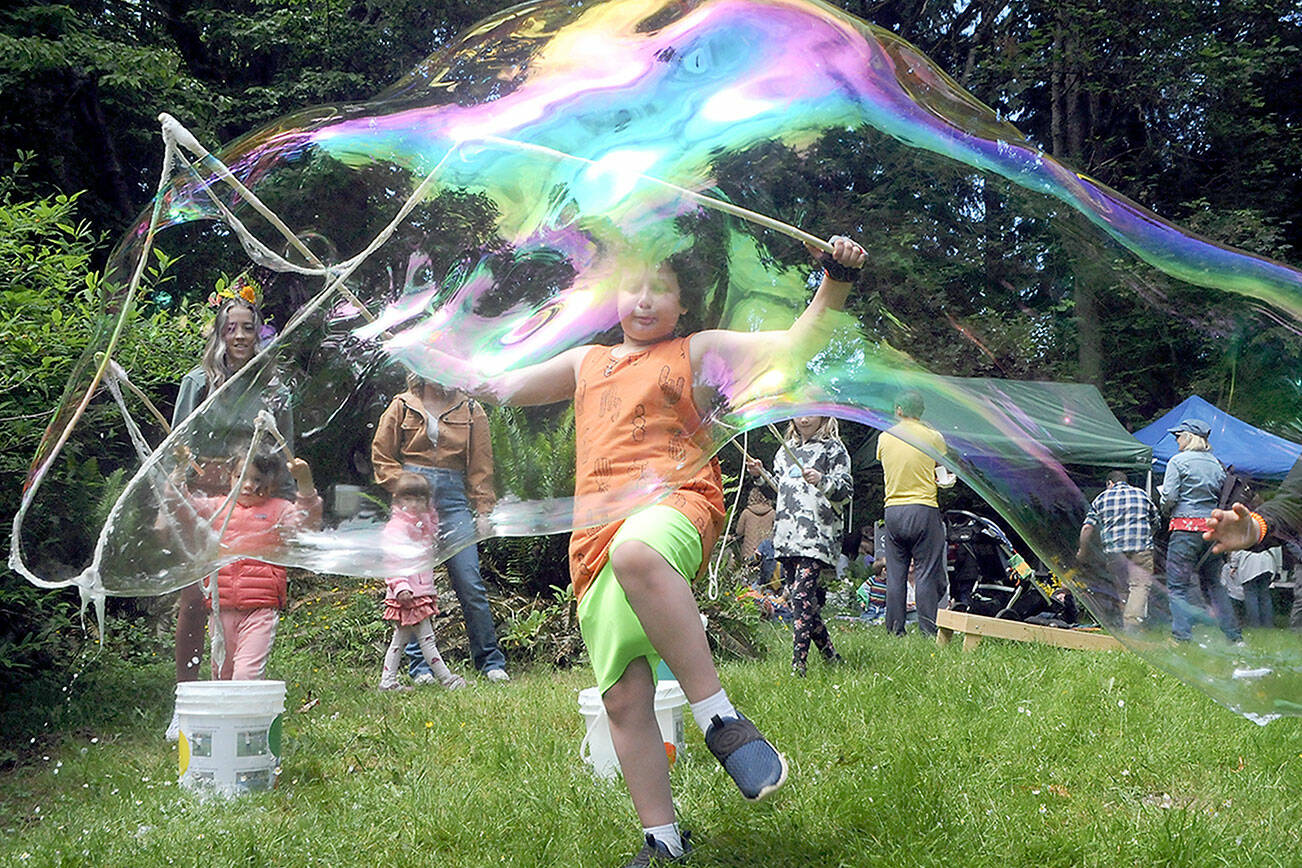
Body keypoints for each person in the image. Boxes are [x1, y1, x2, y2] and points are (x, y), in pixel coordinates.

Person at [427, 233, 866, 865]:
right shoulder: (585, 362)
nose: (645, 298)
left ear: (683, 302)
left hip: (675, 504)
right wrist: (449, 356)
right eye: (632, 286)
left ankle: (720, 719)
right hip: (592, 537)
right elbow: (502, 387)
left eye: (660, 286)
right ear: (612, 301)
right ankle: (662, 840)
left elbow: (797, 345)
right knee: (623, 698)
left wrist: (835, 278)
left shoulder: (697, 352)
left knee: (638, 554)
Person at [166, 288, 294, 738]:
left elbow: (284, 452)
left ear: (260, 334)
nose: (239, 335)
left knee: (240, 598)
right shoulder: (196, 384)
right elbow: (178, 446)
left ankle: (229, 693)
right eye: (230, 327)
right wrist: (173, 500)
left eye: (247, 327)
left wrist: (288, 507)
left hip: (253, 504)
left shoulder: (273, 389)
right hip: (205, 500)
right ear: (219, 334)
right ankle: (185, 702)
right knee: (194, 599)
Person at [372, 373, 510, 683]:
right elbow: (381, 457)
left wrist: (483, 510)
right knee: (413, 582)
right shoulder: (402, 405)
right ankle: (420, 668)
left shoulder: (471, 408)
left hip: (453, 499)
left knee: (469, 579)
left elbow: (481, 466)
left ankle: (490, 661)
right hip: (412, 502)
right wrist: (406, 488)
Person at [184, 449, 321, 679]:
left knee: (246, 675)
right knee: (221, 674)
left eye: (257, 479)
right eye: (240, 477)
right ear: (230, 477)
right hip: (221, 609)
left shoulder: (279, 510)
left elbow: (307, 526)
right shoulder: (217, 507)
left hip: (261, 608)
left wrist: (305, 484)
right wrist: (179, 471)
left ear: (272, 482)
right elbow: (181, 507)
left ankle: (244, 714)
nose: (248, 485)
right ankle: (227, 716)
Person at [746, 415, 851, 676]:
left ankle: (798, 666)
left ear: (824, 415)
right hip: (786, 536)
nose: (804, 418)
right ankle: (830, 655)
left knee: (802, 596)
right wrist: (761, 476)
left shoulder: (833, 448)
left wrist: (822, 480)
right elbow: (780, 490)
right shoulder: (785, 449)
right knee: (800, 600)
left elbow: (846, 491)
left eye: (811, 412)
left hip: (817, 535)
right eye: (799, 412)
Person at [378, 472, 468, 691]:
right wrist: (400, 586)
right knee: (426, 639)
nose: (415, 504)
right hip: (409, 594)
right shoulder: (397, 528)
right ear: (398, 500)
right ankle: (447, 679)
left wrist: (430, 514)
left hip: (418, 591)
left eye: (420, 499)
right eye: (409, 499)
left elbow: (433, 531)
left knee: (399, 641)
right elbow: (393, 561)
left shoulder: (420, 525)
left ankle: (387, 682)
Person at [1159, 419, 1241, 642]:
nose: (1176, 440)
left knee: (1177, 586)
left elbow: (1169, 497)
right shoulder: (1217, 463)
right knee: (1214, 584)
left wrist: (1166, 509)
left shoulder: (1177, 461)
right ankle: (1235, 637)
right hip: (1211, 531)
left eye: (1178, 436)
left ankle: (1182, 637)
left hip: (1184, 529)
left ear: (1188, 437)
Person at [876, 389, 948, 636]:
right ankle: (928, 630)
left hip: (893, 510)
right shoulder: (933, 437)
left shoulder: (884, 437)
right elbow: (941, 470)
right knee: (926, 571)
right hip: (923, 509)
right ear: (921, 412)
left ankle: (895, 630)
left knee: (896, 574)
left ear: (898, 410)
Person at [1205, 456, 1302, 630]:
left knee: (1253, 594)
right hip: (1265, 563)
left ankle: (1258, 627)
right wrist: (1259, 526)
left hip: (1254, 566)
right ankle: (1263, 627)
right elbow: (1290, 504)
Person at [1076, 470, 1159, 631]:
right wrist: (1148, 534)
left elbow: (1087, 528)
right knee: (1139, 585)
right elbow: (1156, 520)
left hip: (1115, 553)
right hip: (1141, 548)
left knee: (1122, 588)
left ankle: (1125, 625)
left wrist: (1082, 551)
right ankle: (1132, 626)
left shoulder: (1101, 498)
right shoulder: (1142, 494)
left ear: (1109, 483)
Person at [733, 488, 775, 583]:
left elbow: (739, 532)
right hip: (766, 554)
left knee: (748, 581)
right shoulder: (772, 513)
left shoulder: (746, 513)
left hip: (749, 553)